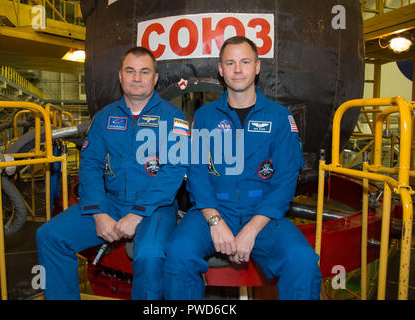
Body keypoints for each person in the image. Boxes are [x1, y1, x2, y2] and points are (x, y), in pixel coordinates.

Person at [163, 36, 321, 300]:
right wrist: (215, 221)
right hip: (212, 211)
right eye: (231, 63)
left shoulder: (280, 118)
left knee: (303, 262)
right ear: (221, 70)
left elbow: (285, 181)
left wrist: (251, 230)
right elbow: (198, 175)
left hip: (263, 215)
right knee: (178, 254)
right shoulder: (205, 117)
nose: (238, 69)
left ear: (257, 67)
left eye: (245, 62)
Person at [36, 47, 189, 300]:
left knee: (149, 254)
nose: (137, 78)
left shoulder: (173, 118)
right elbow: (90, 165)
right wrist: (98, 213)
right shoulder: (105, 117)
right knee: (50, 236)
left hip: (156, 208)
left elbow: (173, 172)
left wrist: (137, 213)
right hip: (111, 202)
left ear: (155, 78)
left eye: (144, 72)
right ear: (120, 76)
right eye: (130, 71)